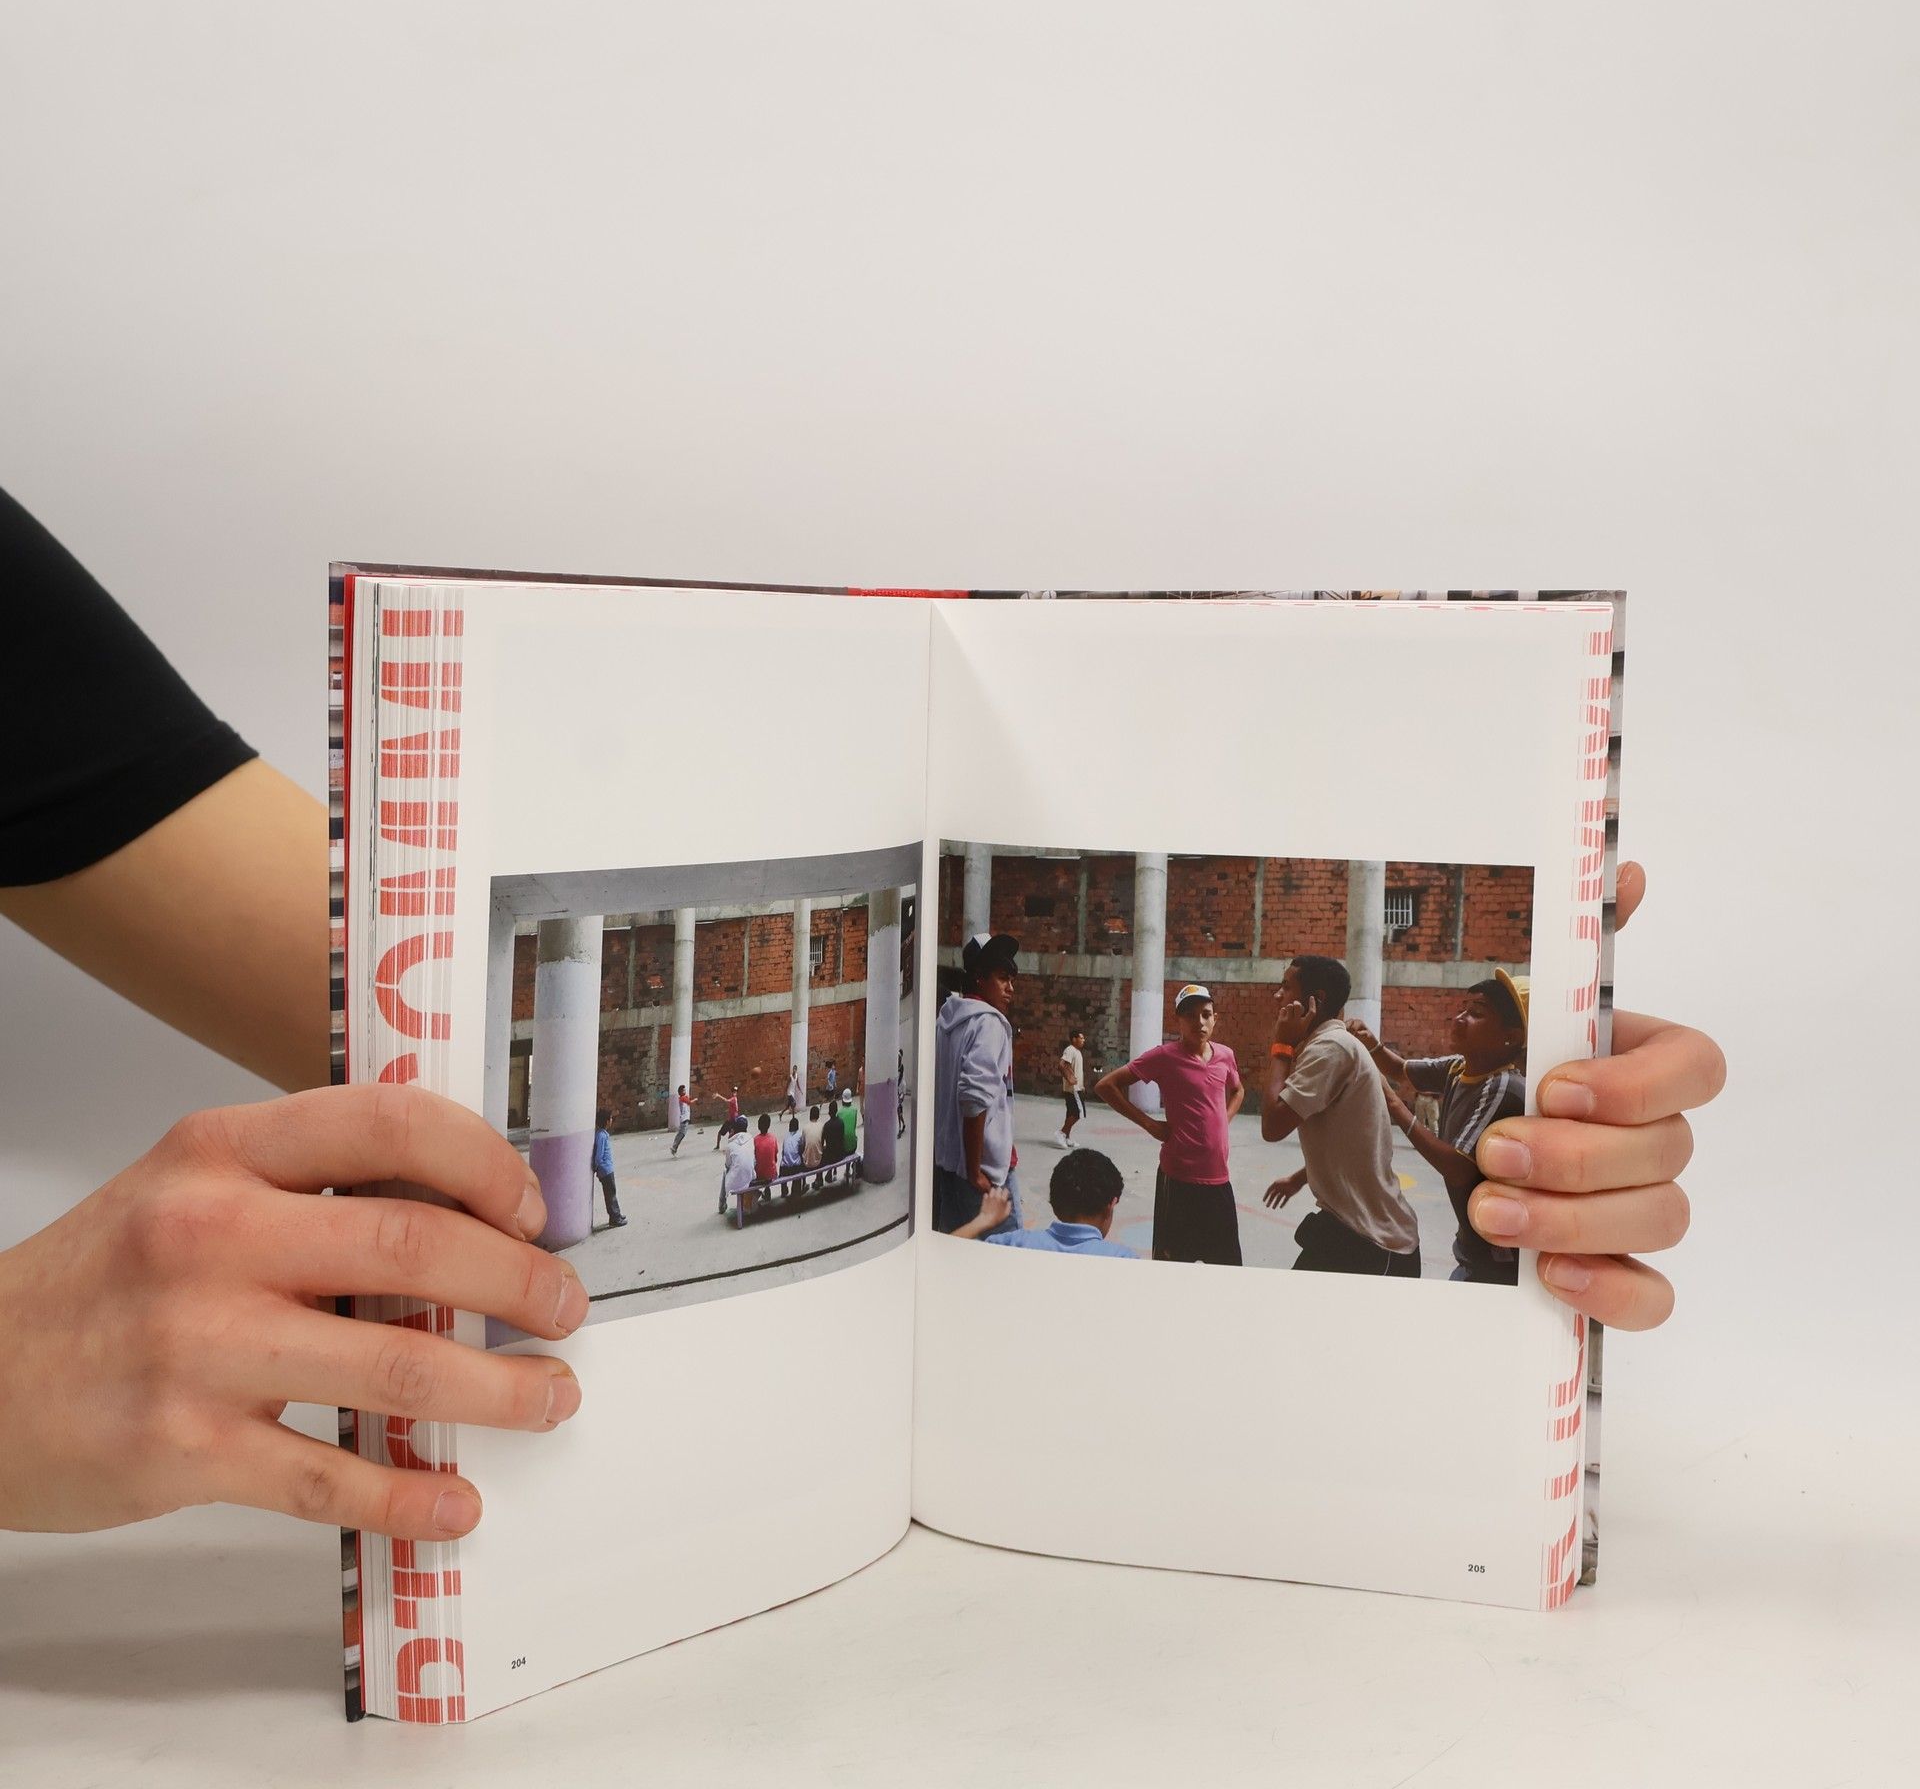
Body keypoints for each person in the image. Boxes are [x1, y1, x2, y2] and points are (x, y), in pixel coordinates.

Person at [0, 486, 1724, 1544]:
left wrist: (1523, 1077)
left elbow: (377, 981)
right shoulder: (1185, 1052)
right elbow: (1146, 1083)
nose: (1228, 1000)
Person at [1347, 973, 1530, 1285]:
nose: (1460, 1018)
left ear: (1511, 1037)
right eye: (1463, 1009)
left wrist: (1394, 1104)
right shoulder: (1460, 1067)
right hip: (1475, 1246)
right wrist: (1371, 1043)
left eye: (1477, 1013)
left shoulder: (1502, 1086)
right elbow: (1400, 1069)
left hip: (1500, 1260)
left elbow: (1458, 1168)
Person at [1258, 956, 1421, 1277]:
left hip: (1374, 1244)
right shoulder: (1329, 1044)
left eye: (1286, 987)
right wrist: (1300, 1178)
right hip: (1351, 1229)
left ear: (1315, 1000)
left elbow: (1272, 1126)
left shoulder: (1331, 1048)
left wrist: (1281, 1045)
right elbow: (1348, 1140)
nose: (1277, 995)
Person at [1096, 985, 1246, 1264]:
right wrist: (1149, 1124)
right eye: (1190, 1015)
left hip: (1218, 1179)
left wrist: (1223, 1120)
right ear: (1178, 1020)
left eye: (1206, 1014)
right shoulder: (1164, 1057)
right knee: (1172, 1265)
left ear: (1215, 1018)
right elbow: (1106, 1086)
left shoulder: (1225, 1055)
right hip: (1178, 1181)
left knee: (1227, 1268)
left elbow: (1238, 1090)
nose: (1199, 1022)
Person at [931, 932, 1021, 1233]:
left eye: (1012, 979)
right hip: (985, 1174)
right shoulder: (989, 1023)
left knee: (955, 1250)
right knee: (1008, 1252)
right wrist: (974, 1171)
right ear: (980, 979)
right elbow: (974, 1099)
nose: (1010, 988)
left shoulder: (945, 1022)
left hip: (948, 1167)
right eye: (1002, 978)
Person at [951, 1148, 1140, 1258]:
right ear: (1110, 1206)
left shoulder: (1013, 1244)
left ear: (1054, 1204)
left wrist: (984, 1219)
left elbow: (944, 1256)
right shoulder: (1123, 1259)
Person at [590, 1109, 628, 1228]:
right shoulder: (601, 1136)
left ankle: (617, 1214)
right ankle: (614, 1218)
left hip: (607, 1169)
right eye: (610, 1118)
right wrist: (596, 1166)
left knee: (612, 1193)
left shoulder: (602, 1134)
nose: (612, 1120)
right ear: (607, 1121)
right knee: (610, 1195)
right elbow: (599, 1155)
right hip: (605, 1170)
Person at [1055, 1027, 1088, 1149]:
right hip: (1073, 1089)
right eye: (1081, 1038)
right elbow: (1061, 1065)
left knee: (1071, 1113)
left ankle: (1067, 1138)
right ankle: (1061, 1133)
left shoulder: (1077, 1052)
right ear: (1074, 1039)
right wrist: (1070, 1078)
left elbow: (1073, 1068)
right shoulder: (1070, 1050)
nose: (1083, 1040)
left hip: (1077, 1088)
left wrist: (1081, 1085)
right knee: (1078, 1113)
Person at [719, 1119, 758, 1216]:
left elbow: (727, 1165)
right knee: (747, 1167)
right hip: (750, 1176)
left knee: (725, 1172)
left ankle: (722, 1203)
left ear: (733, 1130)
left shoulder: (730, 1145)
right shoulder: (751, 1139)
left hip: (736, 1182)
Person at [752, 1113, 780, 1185]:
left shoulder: (755, 1140)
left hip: (759, 1174)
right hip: (772, 1174)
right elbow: (775, 1158)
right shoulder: (773, 1138)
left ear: (759, 1126)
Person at [801, 1102, 826, 1168]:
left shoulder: (805, 1127)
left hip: (806, 1161)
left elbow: (803, 1145)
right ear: (818, 1115)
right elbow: (823, 1144)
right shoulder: (822, 1126)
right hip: (819, 1161)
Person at [670, 1083, 692, 1156]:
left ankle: (674, 1147)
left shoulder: (684, 1098)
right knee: (682, 1133)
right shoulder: (682, 1098)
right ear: (681, 1092)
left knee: (681, 1133)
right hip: (684, 1118)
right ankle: (674, 1147)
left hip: (685, 1118)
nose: (685, 1091)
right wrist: (695, 1099)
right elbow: (689, 1102)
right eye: (684, 1090)